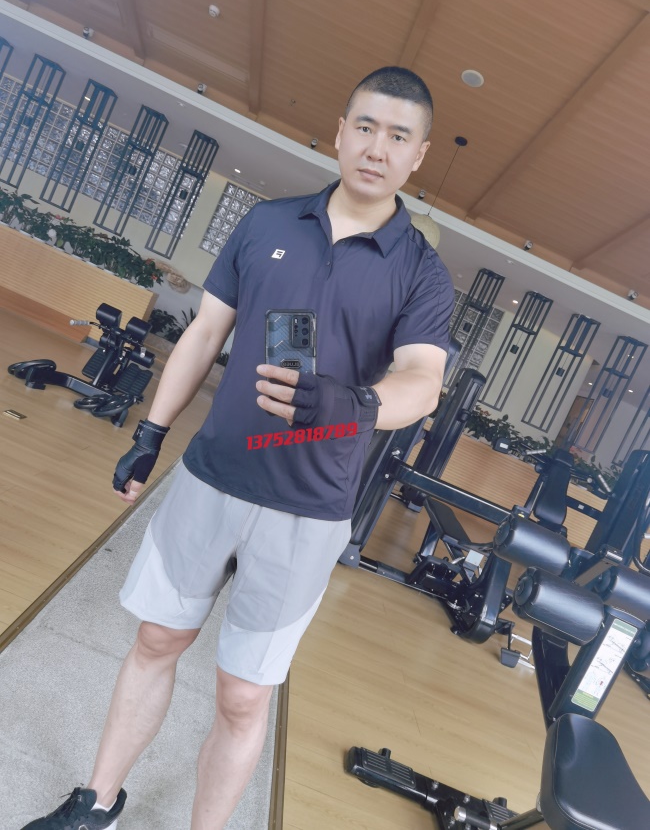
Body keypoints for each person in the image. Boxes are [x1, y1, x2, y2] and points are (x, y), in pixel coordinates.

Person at [22, 66, 455, 830]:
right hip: (212, 476)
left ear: (418, 155)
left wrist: (353, 403)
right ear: (340, 130)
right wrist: (151, 432)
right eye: (365, 126)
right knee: (157, 638)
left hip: (308, 509)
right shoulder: (267, 224)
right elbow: (204, 334)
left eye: (397, 136)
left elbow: (423, 381)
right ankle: (98, 800)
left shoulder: (421, 271)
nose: (376, 147)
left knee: (244, 693)